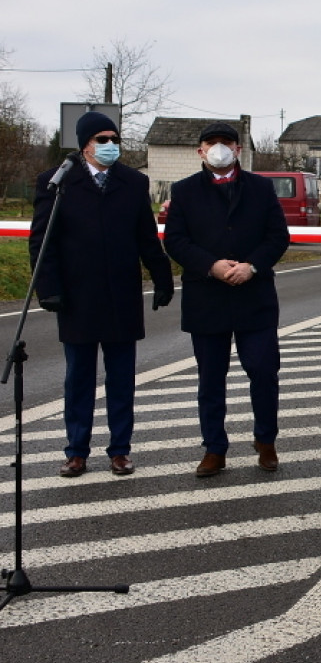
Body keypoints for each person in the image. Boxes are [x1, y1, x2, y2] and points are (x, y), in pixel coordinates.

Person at [29, 111, 174, 477]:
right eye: (102, 139)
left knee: (121, 377)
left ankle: (120, 450)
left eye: (115, 139)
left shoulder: (132, 182)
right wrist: (49, 289)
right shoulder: (57, 183)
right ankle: (76, 451)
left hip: (122, 295)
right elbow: (42, 242)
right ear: (84, 144)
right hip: (77, 298)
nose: (111, 145)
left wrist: (162, 278)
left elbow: (146, 236)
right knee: (78, 377)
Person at [163, 122, 290, 477]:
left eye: (227, 142)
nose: (219, 148)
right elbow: (175, 240)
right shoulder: (184, 191)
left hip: (255, 296)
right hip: (207, 298)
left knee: (264, 372)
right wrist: (211, 266)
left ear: (238, 149)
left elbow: (277, 236)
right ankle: (214, 448)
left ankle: (266, 440)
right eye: (211, 143)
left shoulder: (262, 188)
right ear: (200, 150)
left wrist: (252, 266)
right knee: (211, 379)